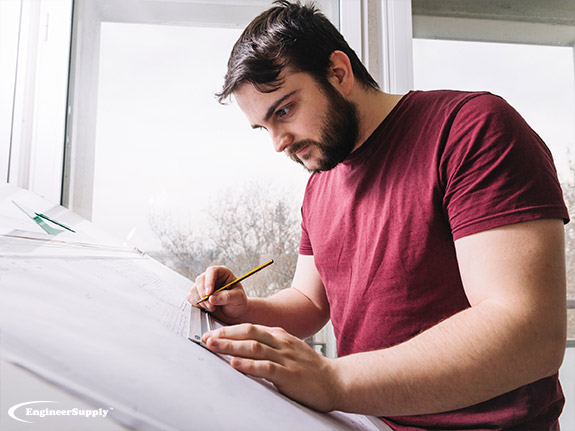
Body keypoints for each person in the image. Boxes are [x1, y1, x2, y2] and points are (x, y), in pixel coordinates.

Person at [187, 1, 570, 429]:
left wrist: (332, 379)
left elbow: (530, 335)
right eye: (265, 128)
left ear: (338, 72)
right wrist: (243, 309)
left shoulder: (471, 130)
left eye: (284, 111)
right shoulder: (319, 185)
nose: (278, 142)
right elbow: (311, 302)